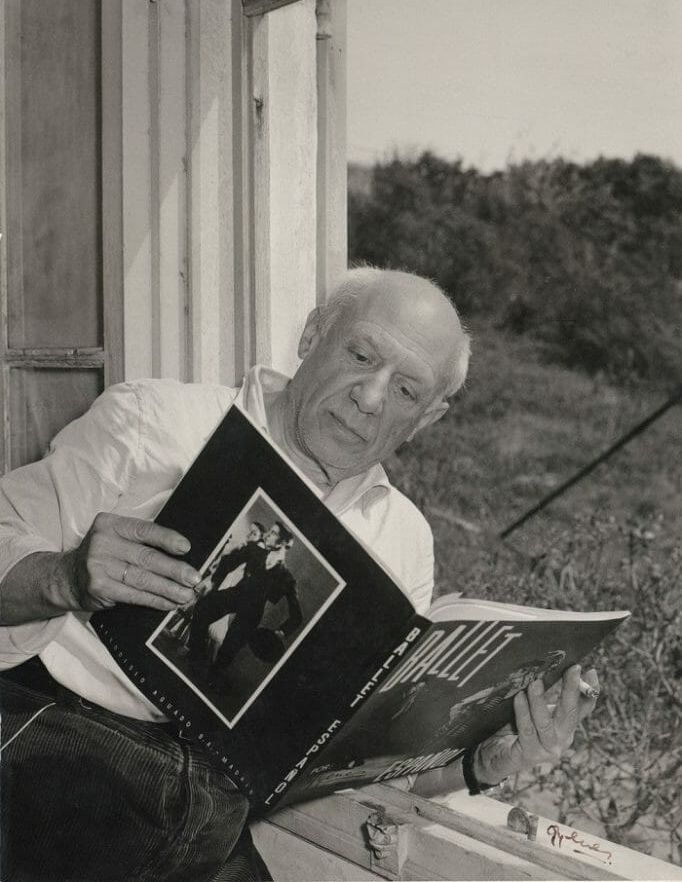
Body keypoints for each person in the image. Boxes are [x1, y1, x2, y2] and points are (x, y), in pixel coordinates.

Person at [0, 267, 600, 881]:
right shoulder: (156, 420)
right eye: (361, 354)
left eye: (406, 392)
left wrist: (480, 764)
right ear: (313, 335)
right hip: (64, 743)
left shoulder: (402, 540)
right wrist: (64, 576)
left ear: (430, 417)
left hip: (210, 813)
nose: (369, 397)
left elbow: (341, 758)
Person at [188, 521, 302, 686]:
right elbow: (228, 561)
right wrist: (213, 582)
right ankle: (196, 657)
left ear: (282, 543)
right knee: (203, 607)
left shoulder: (286, 577)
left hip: (252, 610)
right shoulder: (255, 550)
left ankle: (212, 678)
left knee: (229, 648)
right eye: (269, 531)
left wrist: (280, 633)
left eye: (274, 533)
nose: (268, 534)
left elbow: (297, 616)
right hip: (236, 594)